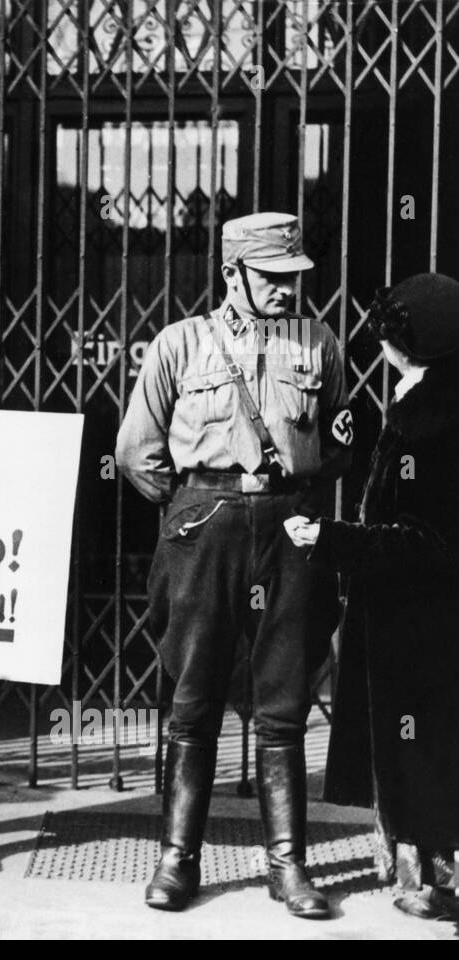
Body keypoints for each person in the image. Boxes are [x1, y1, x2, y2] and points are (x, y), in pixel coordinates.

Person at [115, 212, 353, 918]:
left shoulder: (319, 342)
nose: (285, 288)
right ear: (233, 274)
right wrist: (191, 509)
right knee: (193, 703)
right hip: (206, 524)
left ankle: (288, 867)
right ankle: (177, 861)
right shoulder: (179, 345)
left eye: (293, 277)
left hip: (290, 528)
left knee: (282, 703)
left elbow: (342, 436)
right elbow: (136, 450)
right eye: (271, 277)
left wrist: (301, 491)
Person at [287, 273, 459, 920]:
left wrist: (330, 539)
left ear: (405, 345)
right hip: (427, 618)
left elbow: (419, 539)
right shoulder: (430, 400)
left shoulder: (429, 419)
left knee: (421, 744)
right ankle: (429, 867)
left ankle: (428, 878)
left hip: (417, 621)